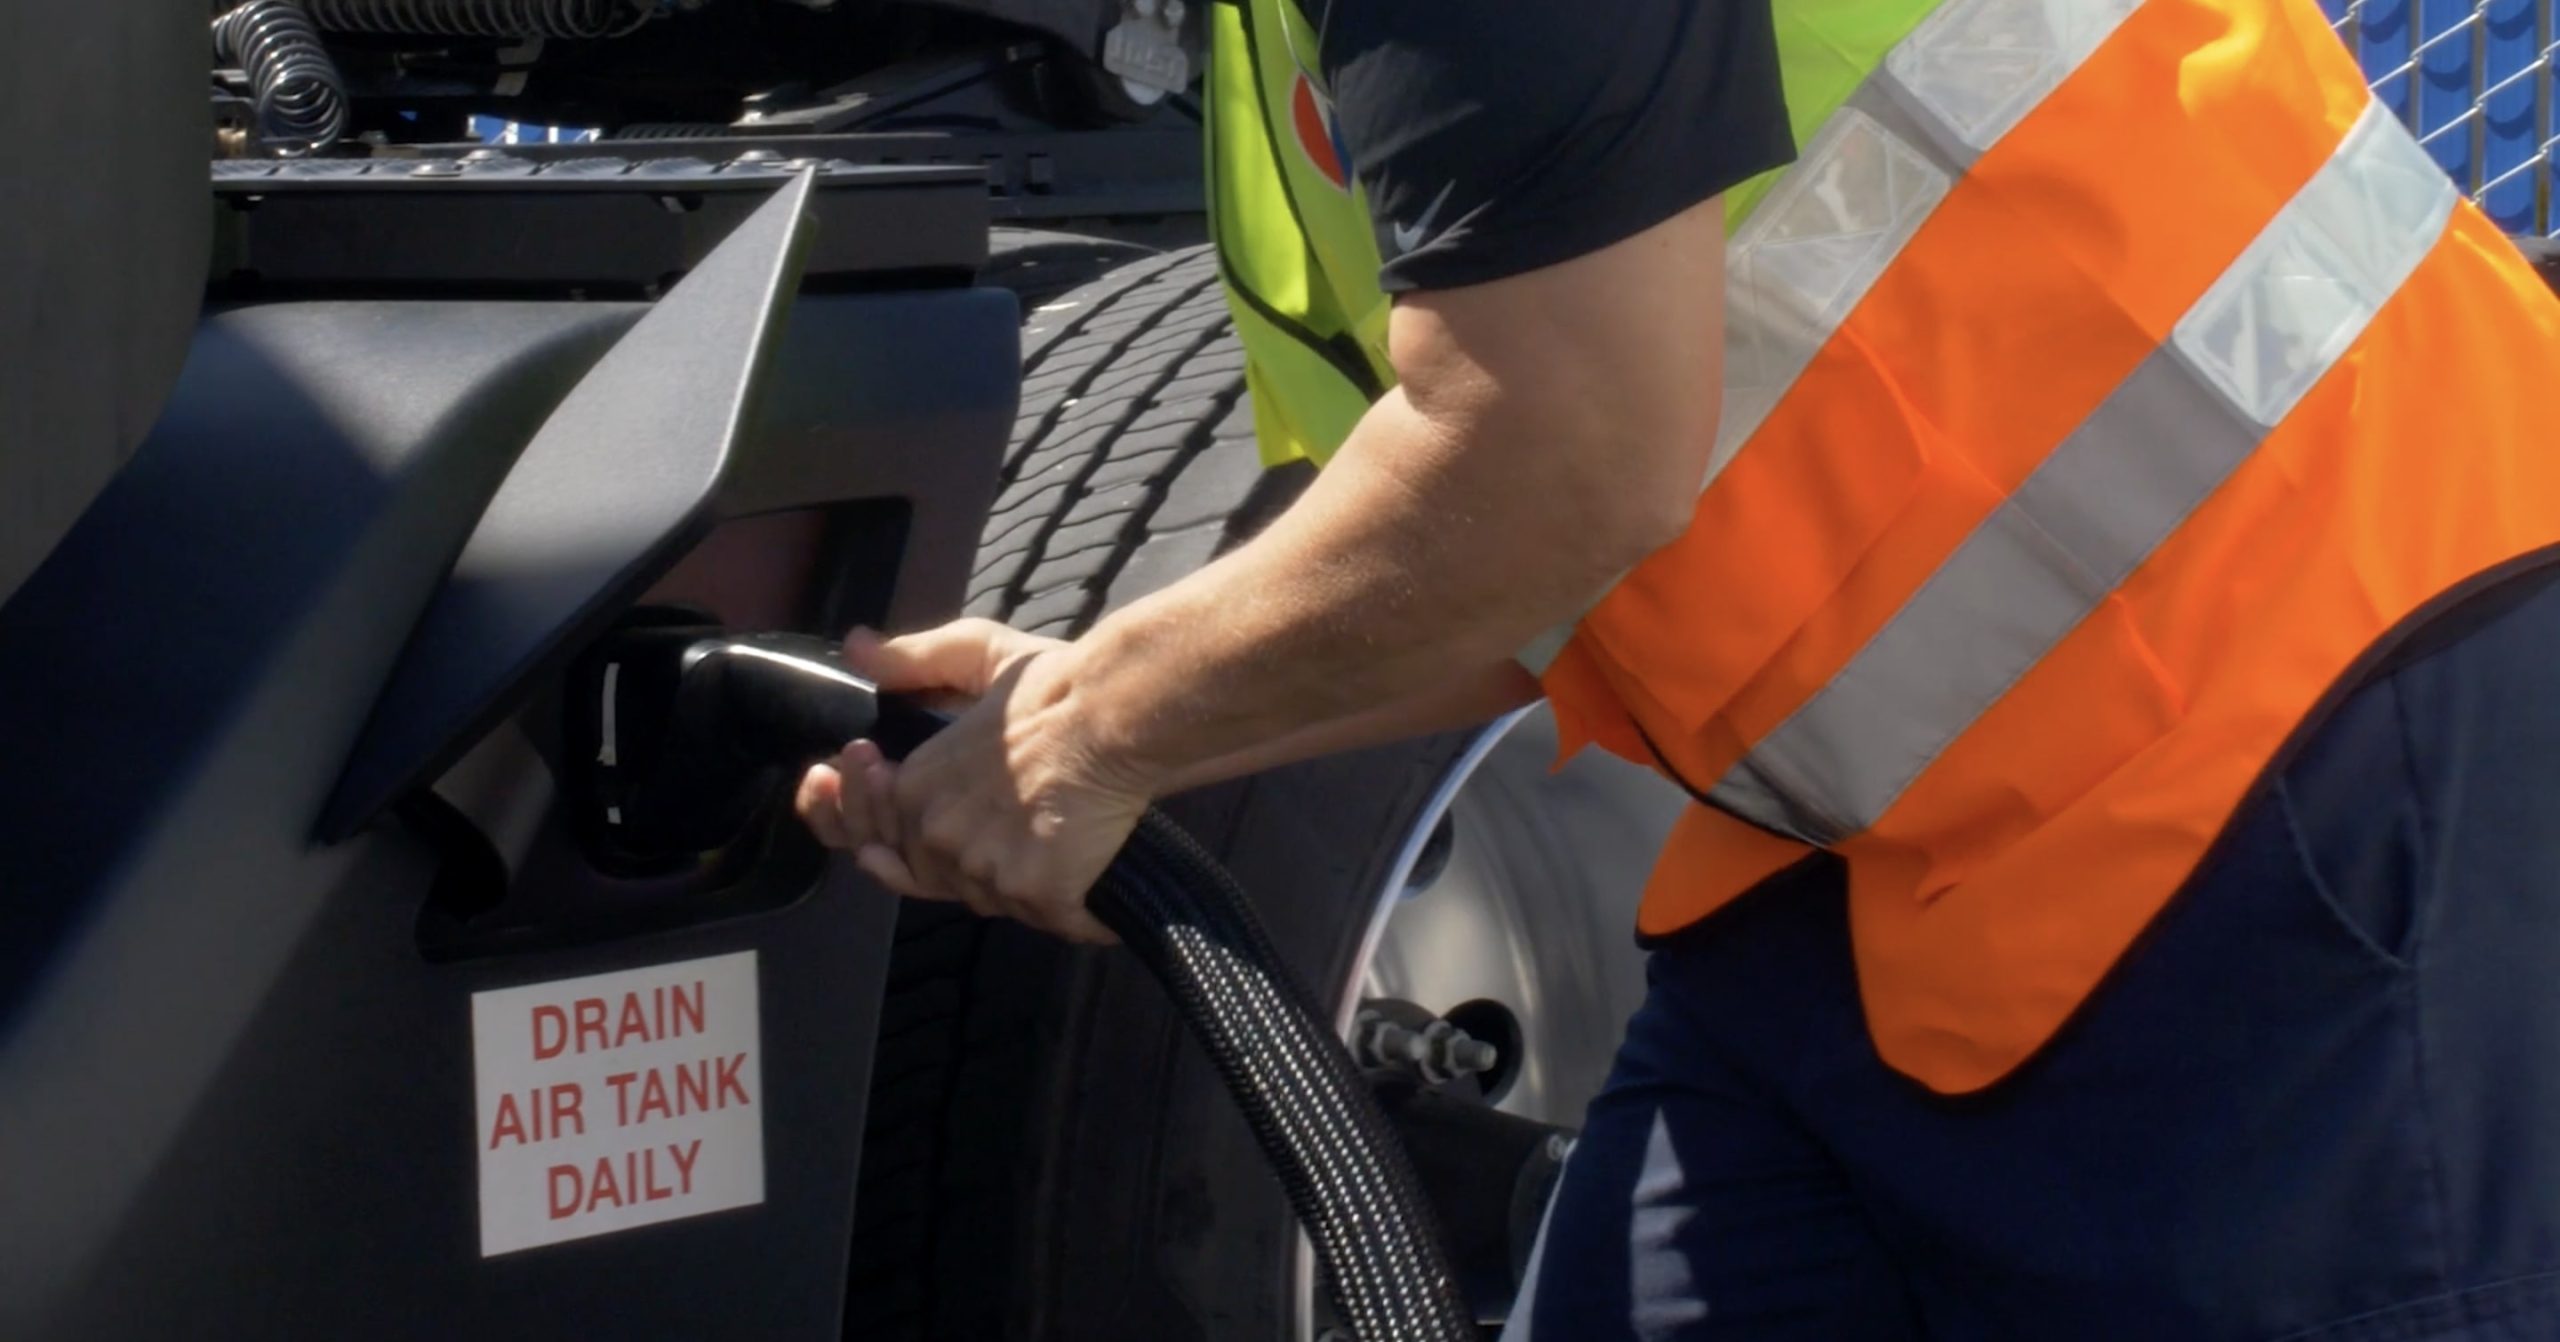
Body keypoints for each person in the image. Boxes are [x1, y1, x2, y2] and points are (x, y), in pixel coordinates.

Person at [798, 0, 2560, 1335]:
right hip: (1892, 858)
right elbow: (1487, 559)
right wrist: (1122, 710)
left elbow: (1567, 444)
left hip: (2313, 729)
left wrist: (1100, 735)